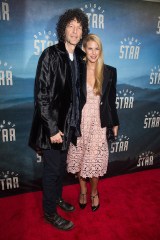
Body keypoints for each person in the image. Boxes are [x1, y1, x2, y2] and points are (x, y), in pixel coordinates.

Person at [29, 9, 89, 231]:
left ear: (83, 31)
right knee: (52, 171)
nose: (75, 31)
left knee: (60, 168)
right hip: (52, 128)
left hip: (69, 125)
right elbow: (42, 95)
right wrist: (52, 129)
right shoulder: (50, 54)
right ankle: (50, 213)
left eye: (79, 27)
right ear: (63, 29)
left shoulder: (81, 57)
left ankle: (56, 199)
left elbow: (79, 93)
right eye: (70, 26)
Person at [67, 34, 119, 212]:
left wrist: (115, 123)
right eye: (90, 48)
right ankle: (82, 191)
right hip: (81, 122)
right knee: (81, 161)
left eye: (97, 48)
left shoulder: (109, 71)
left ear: (100, 50)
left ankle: (94, 193)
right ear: (84, 49)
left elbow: (111, 101)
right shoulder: (77, 69)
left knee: (94, 161)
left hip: (99, 122)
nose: (93, 52)